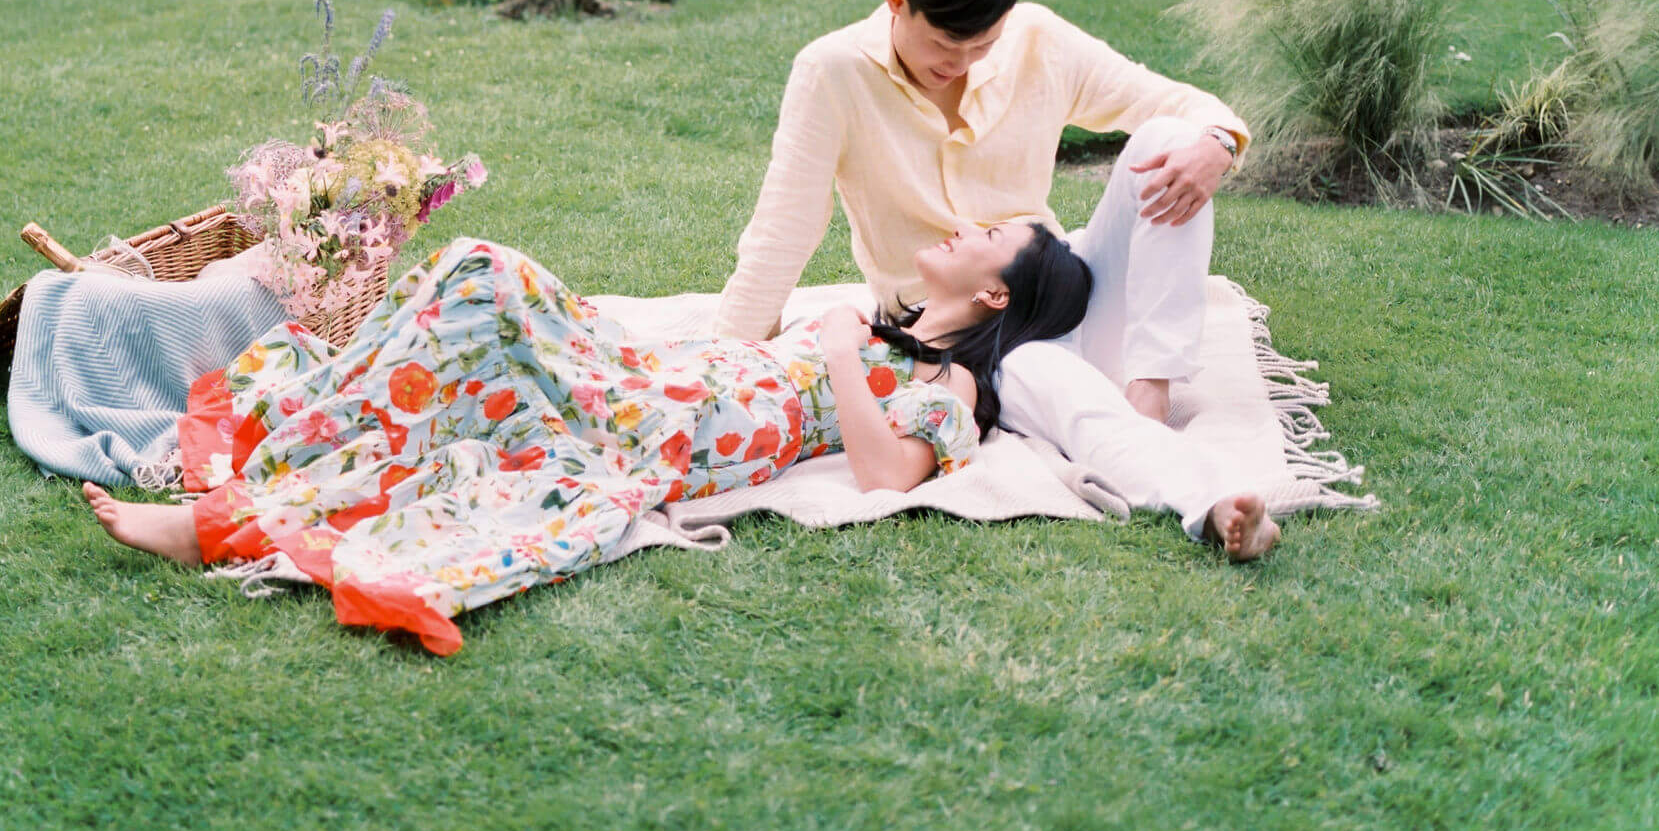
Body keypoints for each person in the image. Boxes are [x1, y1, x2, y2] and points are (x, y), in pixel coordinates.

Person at [83, 225, 1279, 655]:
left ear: (999, 297)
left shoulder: (948, 394)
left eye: (986, 234)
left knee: (479, 290)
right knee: (460, 318)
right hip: (648, 379)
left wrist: (822, 360)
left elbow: (878, 475)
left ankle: (230, 510)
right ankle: (267, 457)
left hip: (664, 430)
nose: (958, 225)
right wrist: (822, 333)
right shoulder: (870, 316)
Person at [715, 0, 1251, 426]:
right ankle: (1148, 454)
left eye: (985, 45)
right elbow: (785, 225)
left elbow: (1167, 102)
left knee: (1173, 141)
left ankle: (1150, 387)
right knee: (1055, 401)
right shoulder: (832, 70)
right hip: (952, 338)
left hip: (1055, 299)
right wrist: (726, 362)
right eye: (946, 45)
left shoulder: (1037, 36)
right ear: (897, 3)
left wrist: (1218, 142)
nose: (964, 62)